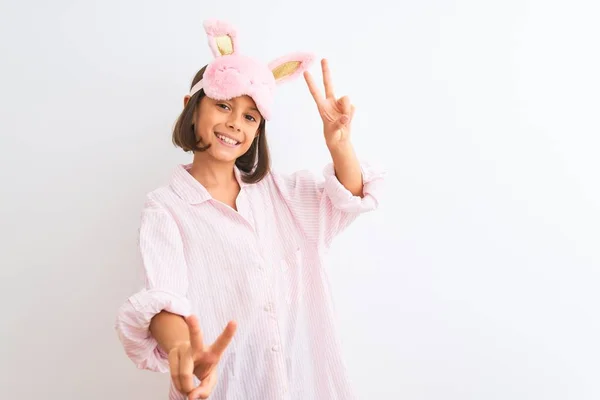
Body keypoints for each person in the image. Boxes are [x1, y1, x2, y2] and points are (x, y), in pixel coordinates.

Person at [115, 19, 385, 400]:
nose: (234, 123)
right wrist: (184, 353)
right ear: (191, 109)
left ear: (258, 131)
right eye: (223, 105)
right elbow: (163, 297)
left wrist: (339, 144)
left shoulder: (277, 193)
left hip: (301, 382)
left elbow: (347, 198)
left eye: (250, 116)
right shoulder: (167, 209)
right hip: (224, 387)